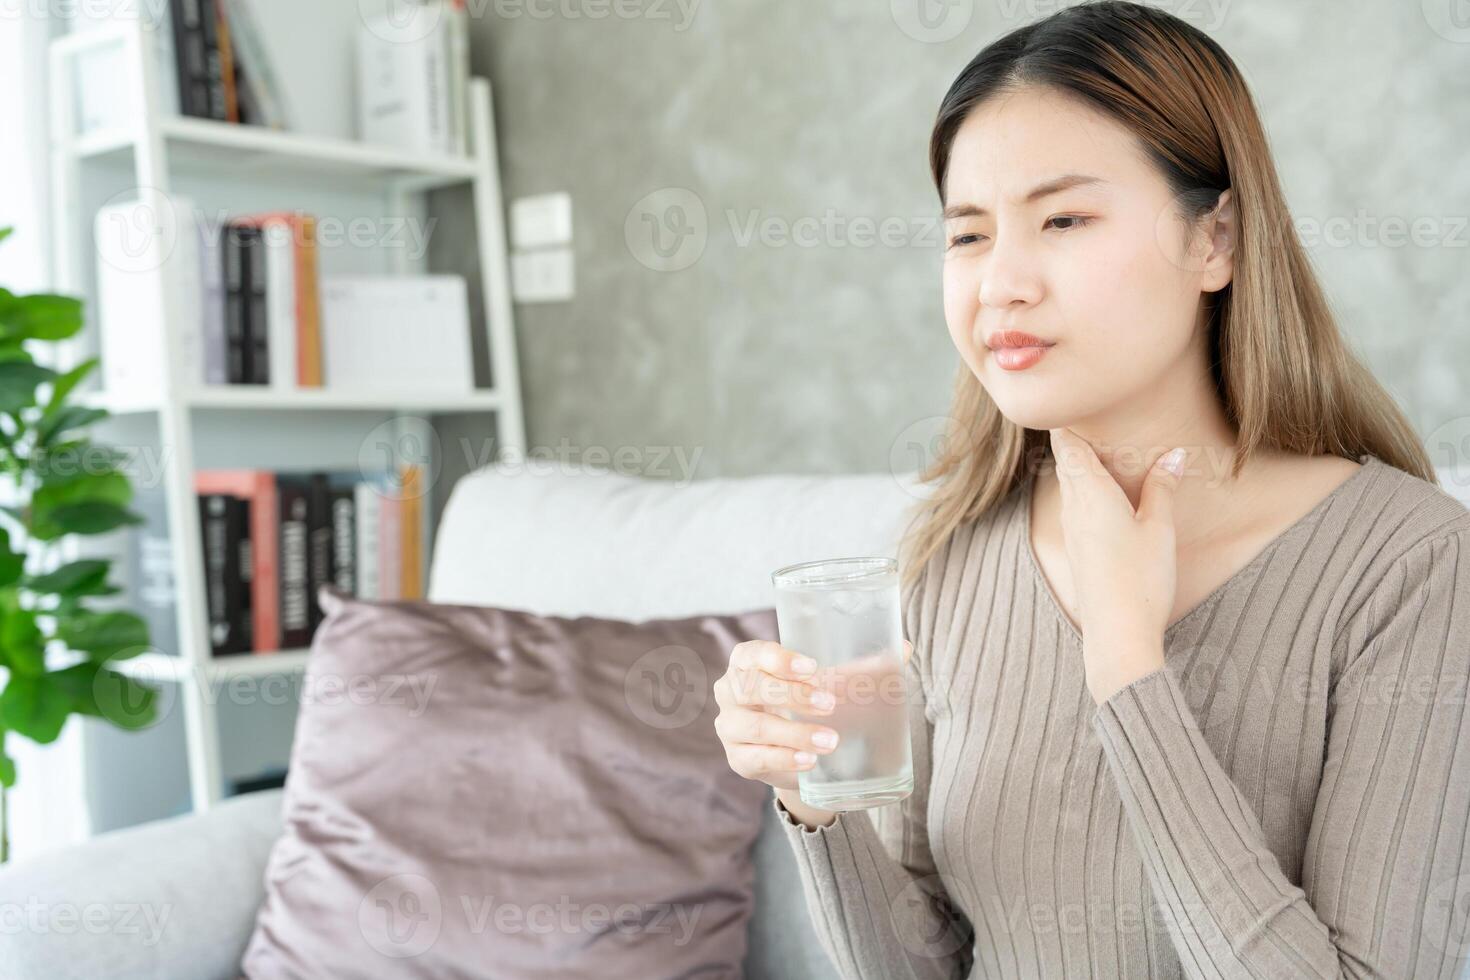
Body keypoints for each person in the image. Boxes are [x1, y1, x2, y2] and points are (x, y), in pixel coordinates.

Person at [712, 3, 1470, 977]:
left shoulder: (1410, 564)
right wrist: (813, 796)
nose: (1002, 283)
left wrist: (1127, 663)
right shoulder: (953, 555)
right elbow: (922, 962)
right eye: (969, 234)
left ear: (1217, 240)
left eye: (1063, 218)